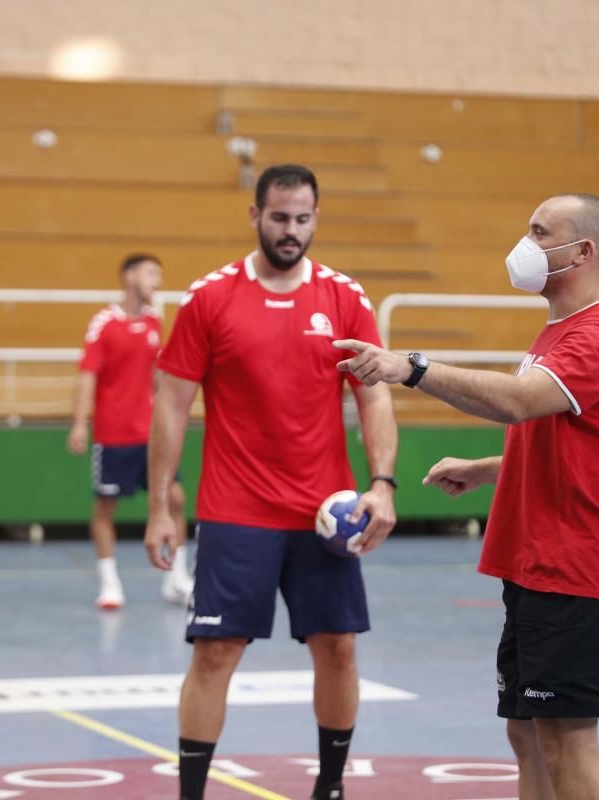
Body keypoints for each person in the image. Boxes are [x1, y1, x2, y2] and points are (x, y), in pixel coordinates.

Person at [336, 194, 599, 800]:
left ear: (582, 251)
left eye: (540, 232)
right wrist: (487, 469)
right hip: (538, 564)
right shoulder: (561, 328)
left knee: (566, 739)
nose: (525, 244)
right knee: (527, 733)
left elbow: (518, 401)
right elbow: (579, 445)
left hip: (579, 567)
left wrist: (413, 368)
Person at [144, 164, 398, 800]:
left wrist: (383, 483)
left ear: (316, 217)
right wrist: (159, 508)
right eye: (280, 217)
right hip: (237, 511)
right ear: (255, 216)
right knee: (215, 653)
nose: (291, 231)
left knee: (337, 648)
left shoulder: (344, 298)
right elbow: (171, 405)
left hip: (327, 513)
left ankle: (331, 787)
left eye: (303, 218)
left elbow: (375, 399)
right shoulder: (211, 297)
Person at [67, 253, 193, 608]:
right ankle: (109, 583)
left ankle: (176, 578)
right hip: (114, 435)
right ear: (130, 276)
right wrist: (80, 422)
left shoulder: (155, 321)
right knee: (106, 509)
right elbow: (87, 374)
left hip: (151, 435)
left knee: (176, 499)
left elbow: (159, 375)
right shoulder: (104, 323)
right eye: (153, 273)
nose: (159, 282)